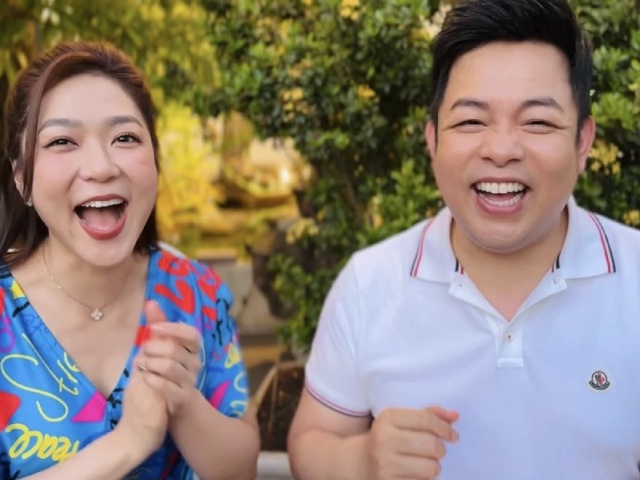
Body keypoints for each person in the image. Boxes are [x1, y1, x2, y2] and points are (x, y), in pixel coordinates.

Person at [287, 0, 640, 478]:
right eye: (471, 121)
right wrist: (362, 460)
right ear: (433, 140)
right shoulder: (370, 283)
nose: (501, 150)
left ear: (582, 142)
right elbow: (311, 441)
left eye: (537, 121)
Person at [0, 41, 260, 479]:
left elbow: (242, 469)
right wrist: (131, 440)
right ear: (22, 178)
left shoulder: (196, 291)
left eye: (125, 138)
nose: (101, 166)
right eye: (62, 141)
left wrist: (184, 402)